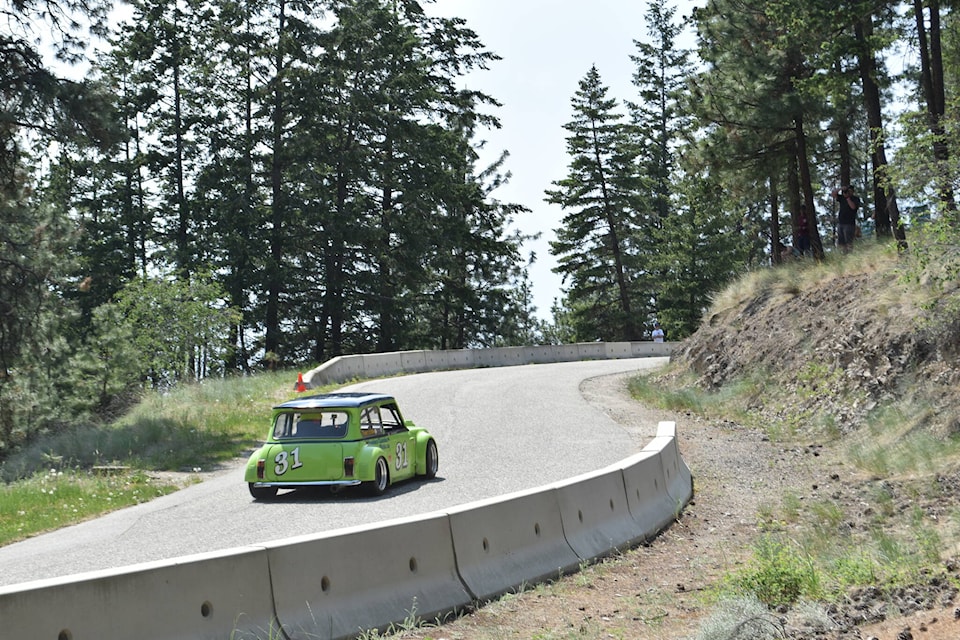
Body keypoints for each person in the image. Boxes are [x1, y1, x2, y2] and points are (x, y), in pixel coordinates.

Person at [831, 185, 862, 253]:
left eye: (850, 191)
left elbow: (853, 207)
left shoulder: (855, 199)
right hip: (841, 223)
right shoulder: (842, 198)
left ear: (853, 191)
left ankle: (850, 254)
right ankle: (843, 255)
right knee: (841, 242)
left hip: (849, 224)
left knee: (849, 241)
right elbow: (833, 194)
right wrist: (841, 188)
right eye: (848, 191)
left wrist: (848, 198)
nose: (848, 192)